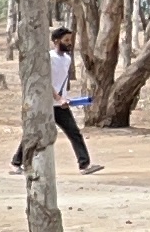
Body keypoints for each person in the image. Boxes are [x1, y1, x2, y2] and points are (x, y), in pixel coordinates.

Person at [13, 22, 103, 175]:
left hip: (60, 105)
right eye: (66, 40)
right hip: (45, 104)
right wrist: (58, 98)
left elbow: (60, 81)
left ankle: (84, 165)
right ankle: (17, 163)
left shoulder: (67, 59)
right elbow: (45, 81)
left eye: (70, 40)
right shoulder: (49, 57)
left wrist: (65, 99)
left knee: (74, 133)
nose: (69, 43)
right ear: (56, 41)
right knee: (33, 132)